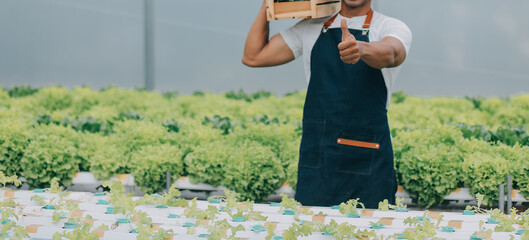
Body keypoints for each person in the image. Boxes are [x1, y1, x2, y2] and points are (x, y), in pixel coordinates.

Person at [242, 0, 412, 208]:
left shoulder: (389, 27)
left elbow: (392, 53)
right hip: (318, 158)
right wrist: (268, 5)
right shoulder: (311, 27)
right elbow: (253, 56)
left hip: (368, 160)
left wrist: (361, 49)